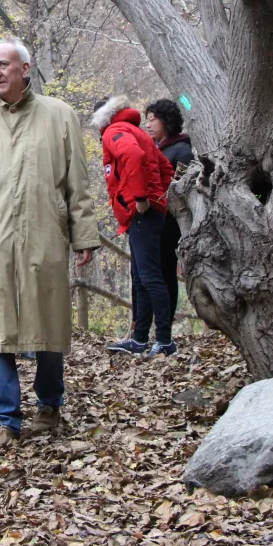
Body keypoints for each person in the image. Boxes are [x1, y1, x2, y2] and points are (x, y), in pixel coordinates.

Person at [0, 38, 99, 451]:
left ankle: (50, 405)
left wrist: (84, 233)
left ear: (25, 69)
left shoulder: (60, 115)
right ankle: (5, 419)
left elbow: (77, 183)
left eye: (3, 65)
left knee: (47, 322)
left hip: (45, 233)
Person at [91, 97, 177, 357]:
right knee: (140, 278)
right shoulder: (137, 132)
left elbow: (132, 155)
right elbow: (165, 168)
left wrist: (141, 198)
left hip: (142, 211)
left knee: (149, 277)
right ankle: (140, 339)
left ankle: (164, 340)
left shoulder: (114, 132)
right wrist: (163, 198)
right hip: (148, 211)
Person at [144, 99, 194, 325]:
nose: (148, 125)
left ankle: (164, 325)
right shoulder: (154, 149)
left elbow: (182, 189)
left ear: (166, 120)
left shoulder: (182, 150)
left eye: (152, 120)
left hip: (170, 223)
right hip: (152, 221)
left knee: (165, 273)